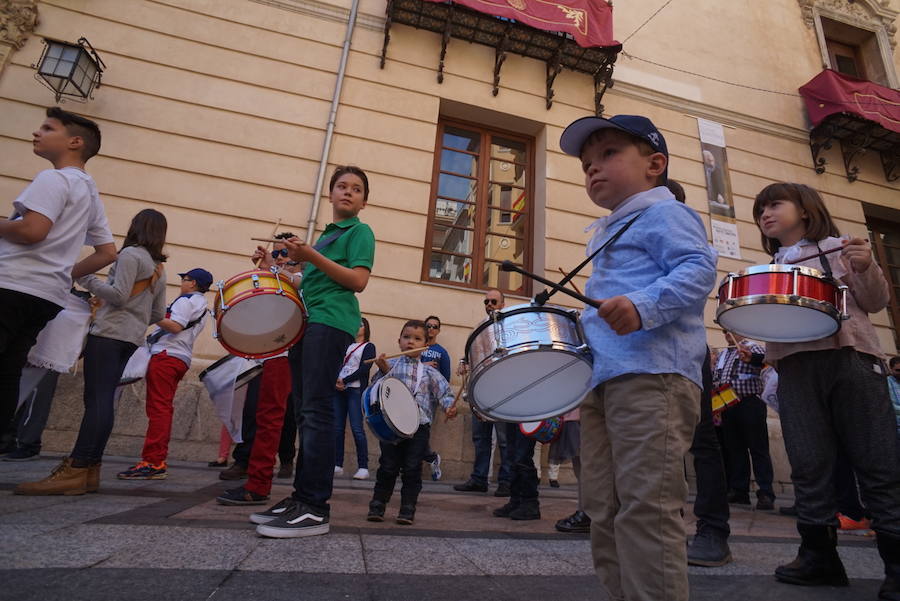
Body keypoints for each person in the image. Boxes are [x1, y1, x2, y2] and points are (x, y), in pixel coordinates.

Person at [558, 114, 717, 601]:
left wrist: (642, 306)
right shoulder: (608, 229)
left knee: (647, 505)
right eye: (586, 164)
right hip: (605, 379)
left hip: (654, 376)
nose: (593, 169)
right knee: (602, 507)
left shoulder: (665, 214)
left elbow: (698, 268)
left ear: (655, 164)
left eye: (608, 154)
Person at [750, 183, 900, 596]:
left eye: (774, 204)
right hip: (796, 368)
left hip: (851, 359)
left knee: (878, 462)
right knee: (809, 464)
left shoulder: (839, 247)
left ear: (805, 208)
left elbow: (874, 302)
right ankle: (819, 557)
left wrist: (866, 265)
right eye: (760, 209)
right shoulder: (773, 263)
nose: (765, 213)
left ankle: (897, 565)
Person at [252, 165, 375, 538]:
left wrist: (309, 254)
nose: (348, 192)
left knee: (317, 412)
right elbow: (306, 280)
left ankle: (315, 506)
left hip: (332, 322)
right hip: (309, 321)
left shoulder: (360, 231)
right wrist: (275, 265)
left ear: (364, 201)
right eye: (341, 186)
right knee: (306, 413)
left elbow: (357, 280)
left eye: (356, 189)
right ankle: (301, 498)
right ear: (331, 194)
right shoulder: (326, 236)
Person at [16, 209, 168, 494]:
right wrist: (131, 320)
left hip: (109, 336)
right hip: (130, 339)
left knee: (95, 401)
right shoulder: (158, 267)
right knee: (103, 400)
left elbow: (119, 296)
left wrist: (88, 281)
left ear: (136, 227)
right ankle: (90, 469)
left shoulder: (130, 255)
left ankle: (76, 468)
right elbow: (157, 312)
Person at [0, 107, 116, 436]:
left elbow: (33, 230)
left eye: (48, 128)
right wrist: (63, 274)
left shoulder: (54, 178)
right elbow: (107, 252)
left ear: (75, 142)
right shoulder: (89, 190)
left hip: (12, 283)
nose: (37, 132)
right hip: (46, 295)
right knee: (8, 371)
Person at [216, 234, 296, 504]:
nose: (279, 259)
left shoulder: (299, 278)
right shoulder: (273, 277)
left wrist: (277, 269)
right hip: (265, 353)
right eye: (276, 254)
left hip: (285, 353)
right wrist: (263, 270)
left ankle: (260, 483)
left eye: (284, 255)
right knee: (256, 414)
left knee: (274, 417)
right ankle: (251, 470)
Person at [117, 267, 212, 480]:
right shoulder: (200, 304)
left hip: (167, 356)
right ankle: (155, 460)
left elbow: (175, 326)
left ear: (193, 283)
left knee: (159, 409)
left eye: (185, 279)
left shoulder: (186, 301)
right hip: (178, 357)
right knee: (162, 408)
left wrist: (150, 313)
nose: (182, 283)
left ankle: (153, 462)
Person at [366, 320, 456, 525]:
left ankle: (407, 509)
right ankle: (378, 505)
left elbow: (445, 393)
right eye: (406, 337)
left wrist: (449, 407)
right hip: (391, 425)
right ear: (399, 341)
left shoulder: (430, 372)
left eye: (417, 339)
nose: (410, 342)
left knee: (412, 467)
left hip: (419, 427)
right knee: (387, 466)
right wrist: (381, 371)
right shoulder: (391, 366)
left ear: (426, 344)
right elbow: (376, 389)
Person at [454, 288, 513, 497]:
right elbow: (470, 354)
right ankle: (479, 479)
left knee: (505, 440)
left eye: (493, 302)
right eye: (486, 302)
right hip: (481, 389)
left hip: (504, 390)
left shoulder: (509, 325)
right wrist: (464, 362)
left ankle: (506, 482)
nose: (489, 305)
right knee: (480, 438)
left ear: (502, 304)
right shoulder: (479, 328)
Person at [714, 330, 776, 511]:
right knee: (735, 449)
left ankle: (765, 492)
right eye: (724, 331)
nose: (726, 334)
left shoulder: (751, 346)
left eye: (730, 330)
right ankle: (739, 490)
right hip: (728, 404)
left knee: (758, 448)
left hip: (750, 402)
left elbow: (765, 359)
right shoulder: (725, 353)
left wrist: (752, 358)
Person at [333, 316, 375, 480]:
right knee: (337, 428)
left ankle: (363, 467)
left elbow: (365, 367)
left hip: (355, 391)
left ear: (366, 328)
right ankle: (337, 464)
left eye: (361, 324)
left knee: (357, 429)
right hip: (338, 389)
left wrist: (345, 380)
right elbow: (336, 362)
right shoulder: (345, 344)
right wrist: (336, 379)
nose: (358, 326)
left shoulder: (368, 346)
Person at [420, 315, 450, 480]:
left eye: (435, 326)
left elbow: (446, 378)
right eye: (428, 326)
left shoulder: (442, 353)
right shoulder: (416, 346)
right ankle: (429, 458)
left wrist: (444, 402)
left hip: (430, 399)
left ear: (439, 330)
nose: (431, 329)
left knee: (422, 431)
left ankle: (429, 459)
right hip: (411, 395)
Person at [552, 408, 590, 533]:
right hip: (574, 414)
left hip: (582, 415)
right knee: (580, 466)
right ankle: (584, 510)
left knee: (586, 466)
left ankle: (587, 511)